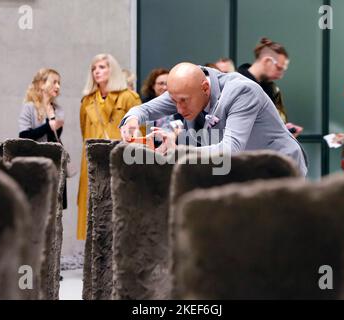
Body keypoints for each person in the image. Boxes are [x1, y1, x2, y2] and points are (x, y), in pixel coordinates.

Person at [120, 62, 308, 176]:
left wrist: (177, 151)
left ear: (205, 88)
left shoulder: (242, 91)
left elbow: (230, 149)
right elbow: (145, 109)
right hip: (247, 166)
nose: (178, 108)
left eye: (183, 102)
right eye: (174, 101)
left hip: (280, 164)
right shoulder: (186, 89)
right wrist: (131, 120)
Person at [77, 53, 141, 240]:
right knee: (94, 210)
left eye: (102, 67)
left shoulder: (129, 97)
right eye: (94, 68)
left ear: (112, 69)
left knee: (119, 209)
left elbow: (140, 133)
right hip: (93, 161)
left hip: (121, 158)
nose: (97, 71)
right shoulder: (87, 101)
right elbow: (84, 132)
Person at [18, 68, 67, 210]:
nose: (58, 86)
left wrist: (53, 124)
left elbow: (54, 139)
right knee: (36, 209)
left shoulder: (58, 110)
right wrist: (48, 126)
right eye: (54, 82)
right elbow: (23, 136)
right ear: (41, 84)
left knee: (55, 211)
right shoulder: (29, 108)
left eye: (59, 83)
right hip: (36, 164)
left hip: (55, 165)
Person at [237, 37, 303, 137]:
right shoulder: (236, 83)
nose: (281, 75)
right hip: (235, 149)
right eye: (279, 68)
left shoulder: (270, 89)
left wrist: (283, 131)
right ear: (267, 61)